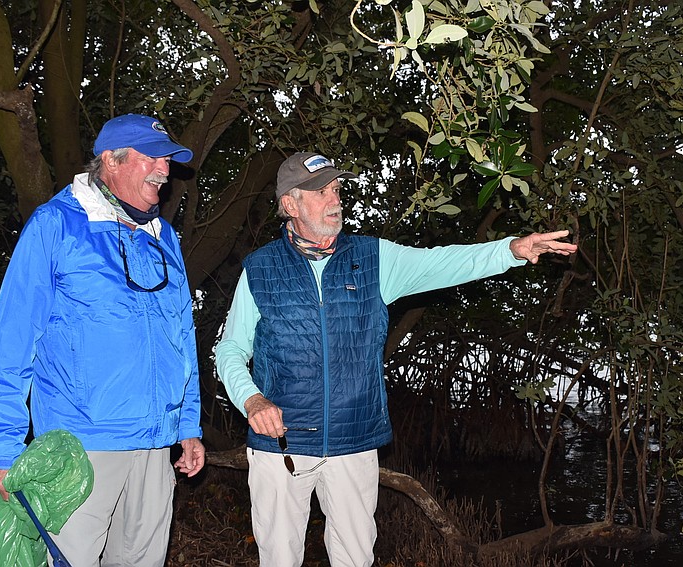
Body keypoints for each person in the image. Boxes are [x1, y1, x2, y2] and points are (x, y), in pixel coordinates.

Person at [215, 151, 578, 567]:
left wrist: (510, 250)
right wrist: (252, 400)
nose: (335, 200)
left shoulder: (373, 258)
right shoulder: (260, 269)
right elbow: (230, 348)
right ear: (290, 204)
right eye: (321, 192)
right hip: (280, 445)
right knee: (279, 559)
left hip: (355, 441)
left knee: (356, 559)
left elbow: (443, 263)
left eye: (337, 189)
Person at [0, 113, 205, 567]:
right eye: (151, 157)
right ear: (111, 161)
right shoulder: (56, 225)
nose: (164, 169)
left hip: (154, 444)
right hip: (81, 446)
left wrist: (187, 426)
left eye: (167, 159)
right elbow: (12, 340)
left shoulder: (164, 238)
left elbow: (182, 337)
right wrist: (3, 443)